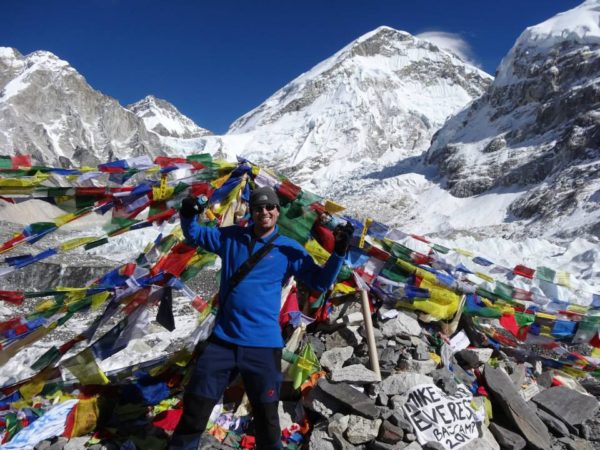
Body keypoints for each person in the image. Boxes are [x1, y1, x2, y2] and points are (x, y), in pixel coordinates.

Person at [170, 186, 353, 450]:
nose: (264, 212)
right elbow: (195, 233)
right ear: (252, 212)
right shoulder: (231, 238)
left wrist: (339, 253)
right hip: (223, 342)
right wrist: (187, 214)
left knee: (267, 420)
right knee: (195, 409)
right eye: (258, 207)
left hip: (263, 347)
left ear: (278, 211)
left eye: (269, 207)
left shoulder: (289, 250)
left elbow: (320, 282)